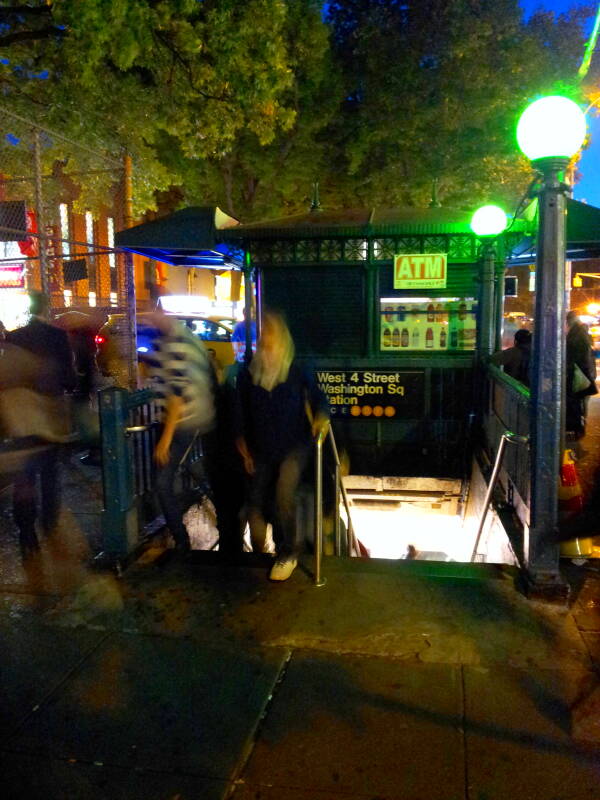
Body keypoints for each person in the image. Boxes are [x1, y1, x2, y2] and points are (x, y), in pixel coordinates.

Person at [234, 310, 330, 581]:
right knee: (260, 499)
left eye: (272, 334)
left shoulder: (297, 368)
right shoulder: (249, 372)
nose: (267, 340)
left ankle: (289, 551)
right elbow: (240, 412)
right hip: (262, 446)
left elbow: (320, 399)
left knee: (284, 492)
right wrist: (242, 445)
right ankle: (275, 549)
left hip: (294, 444)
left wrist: (321, 419)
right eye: (265, 334)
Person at [4, 292, 76, 557]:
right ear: (47, 307)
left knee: (24, 478)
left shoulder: (14, 336)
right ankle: (49, 525)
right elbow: (69, 379)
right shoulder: (57, 337)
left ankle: (26, 534)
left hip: (18, 417)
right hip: (48, 417)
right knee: (49, 474)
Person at [147, 308, 216, 555]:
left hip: (184, 421)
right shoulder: (177, 338)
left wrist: (164, 440)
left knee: (163, 482)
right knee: (185, 472)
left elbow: (175, 394)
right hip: (192, 419)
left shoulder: (176, 342)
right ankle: (218, 513)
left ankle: (182, 541)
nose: (149, 319)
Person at [566, 310, 597, 440]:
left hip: (580, 373)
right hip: (584, 373)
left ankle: (577, 428)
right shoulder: (581, 333)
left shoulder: (577, 335)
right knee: (579, 402)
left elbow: (577, 355)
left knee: (577, 402)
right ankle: (577, 427)